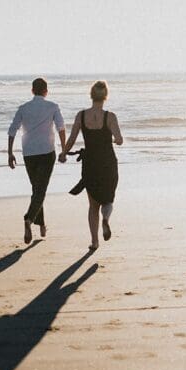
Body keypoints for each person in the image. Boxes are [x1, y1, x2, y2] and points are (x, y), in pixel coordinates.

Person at [59, 80, 122, 251]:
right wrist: (115, 139)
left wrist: (64, 153)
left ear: (91, 95)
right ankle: (106, 219)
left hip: (91, 164)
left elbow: (71, 139)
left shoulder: (81, 115)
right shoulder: (110, 116)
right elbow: (120, 140)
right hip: (108, 162)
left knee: (93, 205)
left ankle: (94, 242)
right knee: (108, 199)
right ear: (105, 96)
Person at [8, 77, 66, 244]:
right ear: (46, 91)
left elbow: (12, 130)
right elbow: (61, 128)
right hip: (47, 152)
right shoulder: (53, 107)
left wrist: (10, 153)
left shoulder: (23, 108)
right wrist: (64, 150)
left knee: (37, 189)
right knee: (40, 191)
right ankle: (29, 219)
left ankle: (41, 224)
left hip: (29, 153)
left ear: (32, 90)